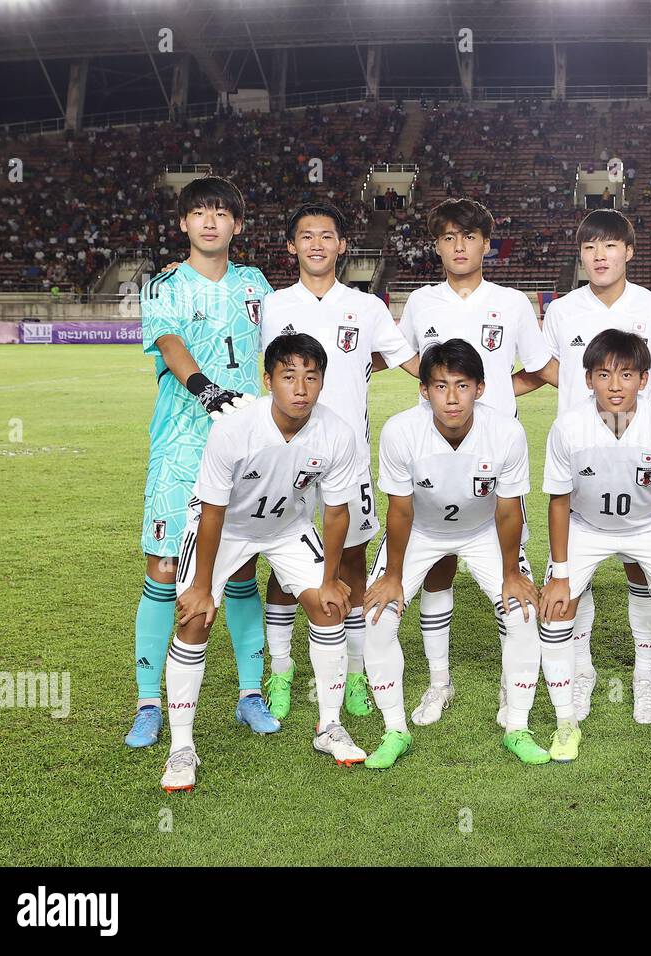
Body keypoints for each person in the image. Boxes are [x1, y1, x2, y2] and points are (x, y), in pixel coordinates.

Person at [161, 334, 363, 791]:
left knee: (330, 608)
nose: (301, 388)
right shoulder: (234, 429)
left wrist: (330, 580)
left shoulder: (336, 433)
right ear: (268, 380)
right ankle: (181, 747)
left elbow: (336, 512)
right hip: (226, 528)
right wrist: (201, 586)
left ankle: (328, 727)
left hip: (288, 529)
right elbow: (212, 511)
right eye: (289, 376)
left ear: (322, 382)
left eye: (312, 377)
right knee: (195, 618)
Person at [526, 208, 651, 724]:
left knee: (640, 571)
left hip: (643, 465)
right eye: (589, 248)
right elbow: (542, 369)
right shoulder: (561, 311)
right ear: (580, 256)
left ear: (629, 251)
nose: (599, 256)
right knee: (571, 582)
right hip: (584, 458)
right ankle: (582, 672)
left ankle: (645, 678)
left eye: (609, 246)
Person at [127, 176, 276, 750]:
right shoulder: (165, 284)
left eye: (221, 212)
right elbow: (169, 344)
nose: (210, 221)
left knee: (238, 572)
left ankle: (249, 694)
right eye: (199, 212)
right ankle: (148, 704)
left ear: (237, 225)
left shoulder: (256, 284)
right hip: (180, 446)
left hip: (244, 447)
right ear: (184, 224)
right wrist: (204, 388)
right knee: (164, 570)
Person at [396, 198, 557, 727]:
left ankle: (516, 699)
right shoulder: (420, 302)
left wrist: (492, 398)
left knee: (511, 574)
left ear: (487, 243)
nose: (459, 245)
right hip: (438, 453)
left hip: (494, 454)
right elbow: (403, 357)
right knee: (438, 564)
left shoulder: (511, 302)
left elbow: (538, 367)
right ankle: (439, 684)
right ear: (437, 245)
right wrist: (443, 393)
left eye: (469, 236)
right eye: (448, 237)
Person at [259, 201, 421, 723]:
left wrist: (460, 388)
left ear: (343, 245)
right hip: (287, 457)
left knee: (351, 563)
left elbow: (403, 359)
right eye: (305, 236)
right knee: (286, 569)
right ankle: (280, 672)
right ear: (292, 246)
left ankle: (354, 673)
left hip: (348, 458)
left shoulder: (367, 307)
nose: (316, 244)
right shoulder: (272, 304)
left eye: (327, 235)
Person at [361, 339, 550, 767]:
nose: (451, 397)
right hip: (420, 531)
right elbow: (401, 510)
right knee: (377, 618)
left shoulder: (506, 432)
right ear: (424, 390)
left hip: (483, 530)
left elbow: (507, 511)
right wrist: (392, 576)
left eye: (462, 385)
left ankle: (517, 726)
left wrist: (510, 573)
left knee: (522, 613)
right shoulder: (400, 431)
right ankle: (395, 729)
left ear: (480, 389)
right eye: (441, 386)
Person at [538, 330, 651, 764]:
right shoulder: (569, 427)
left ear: (645, 378)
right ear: (588, 379)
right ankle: (566, 721)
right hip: (586, 525)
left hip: (648, 525)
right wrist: (559, 576)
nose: (615, 386)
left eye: (627, 374)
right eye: (604, 374)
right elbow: (558, 502)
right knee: (555, 611)